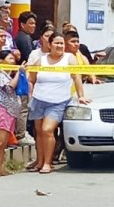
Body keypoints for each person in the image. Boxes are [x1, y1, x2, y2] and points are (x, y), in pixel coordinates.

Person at [28, 32, 89, 174]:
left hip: (58, 101)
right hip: (39, 100)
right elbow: (31, 79)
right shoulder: (40, 60)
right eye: (56, 43)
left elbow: (76, 78)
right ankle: (40, 161)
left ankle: (48, 163)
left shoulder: (70, 59)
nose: (60, 46)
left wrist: (81, 96)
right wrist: (30, 96)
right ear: (49, 45)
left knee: (47, 130)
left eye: (62, 43)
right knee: (39, 133)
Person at [0, 50, 22, 179]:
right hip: (2, 109)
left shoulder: (6, 74)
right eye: (10, 58)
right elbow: (9, 88)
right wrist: (19, 73)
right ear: (1, 60)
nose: (13, 61)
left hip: (10, 111)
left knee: (4, 143)